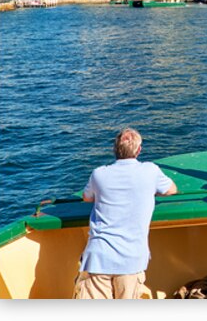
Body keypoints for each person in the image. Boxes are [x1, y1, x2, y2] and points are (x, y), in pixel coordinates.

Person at [74, 128, 177, 299]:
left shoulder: (99, 174)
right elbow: (171, 189)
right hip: (131, 260)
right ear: (139, 150)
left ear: (115, 149)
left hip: (98, 257)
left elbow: (86, 197)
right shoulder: (150, 171)